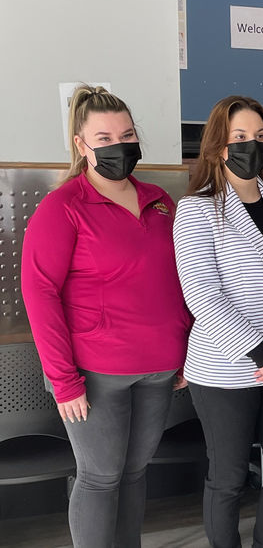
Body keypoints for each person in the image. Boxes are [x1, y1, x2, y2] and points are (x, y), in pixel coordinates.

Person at [21, 85, 191, 548]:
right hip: (96, 372)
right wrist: (63, 380)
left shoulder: (160, 201)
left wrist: (186, 352)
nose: (119, 145)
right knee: (99, 477)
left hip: (161, 368)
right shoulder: (63, 207)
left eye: (127, 134)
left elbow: (182, 281)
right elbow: (39, 294)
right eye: (104, 137)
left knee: (135, 474)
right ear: (82, 144)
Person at [173, 96, 263, 548]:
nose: (251, 145)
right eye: (240, 137)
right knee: (229, 477)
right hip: (225, 369)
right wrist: (261, 350)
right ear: (219, 145)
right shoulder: (196, 209)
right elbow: (203, 294)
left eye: (260, 137)